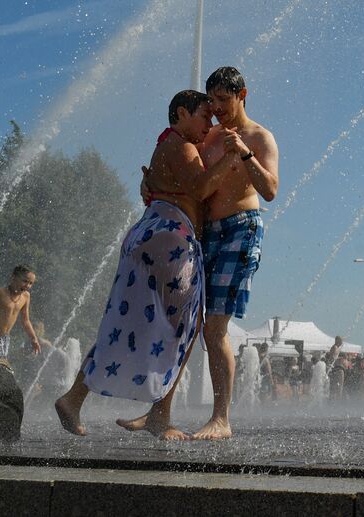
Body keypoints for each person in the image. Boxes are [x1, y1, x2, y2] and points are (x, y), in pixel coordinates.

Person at [54, 90, 240, 439]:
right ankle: (160, 415)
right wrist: (230, 155)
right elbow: (200, 189)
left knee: (125, 322)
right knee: (185, 327)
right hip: (171, 240)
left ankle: (73, 398)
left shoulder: (167, 145)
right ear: (181, 114)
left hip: (151, 232)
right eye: (204, 116)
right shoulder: (181, 146)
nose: (209, 124)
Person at [190, 66, 279, 439]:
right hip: (206, 231)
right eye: (212, 101)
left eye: (224, 100)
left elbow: (271, 189)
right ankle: (159, 410)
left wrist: (244, 155)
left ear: (243, 95)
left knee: (215, 326)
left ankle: (221, 418)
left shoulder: (260, 136)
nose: (217, 108)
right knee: (190, 324)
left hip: (242, 227)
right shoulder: (206, 136)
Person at [0, 266, 41, 358]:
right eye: (25, 281)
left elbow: (25, 321)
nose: (28, 286)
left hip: (5, 339)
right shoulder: (0, 293)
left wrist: (34, 339)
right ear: (14, 277)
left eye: (31, 283)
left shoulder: (26, 297)